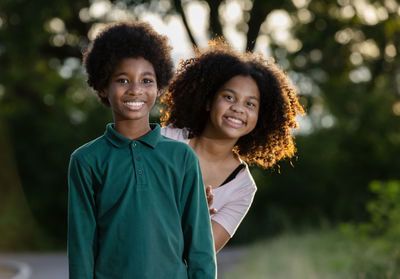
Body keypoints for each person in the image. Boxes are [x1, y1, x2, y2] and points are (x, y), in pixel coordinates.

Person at [67, 21, 216, 279]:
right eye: (123, 80)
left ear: (159, 89)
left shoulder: (182, 157)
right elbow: (81, 245)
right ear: (103, 86)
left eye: (146, 80)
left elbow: (200, 246)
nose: (135, 89)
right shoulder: (86, 160)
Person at [161, 39, 305, 253]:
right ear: (209, 101)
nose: (238, 108)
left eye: (250, 104)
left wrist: (194, 219)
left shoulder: (242, 188)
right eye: (229, 97)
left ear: (260, 117)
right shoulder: (165, 140)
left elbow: (199, 256)